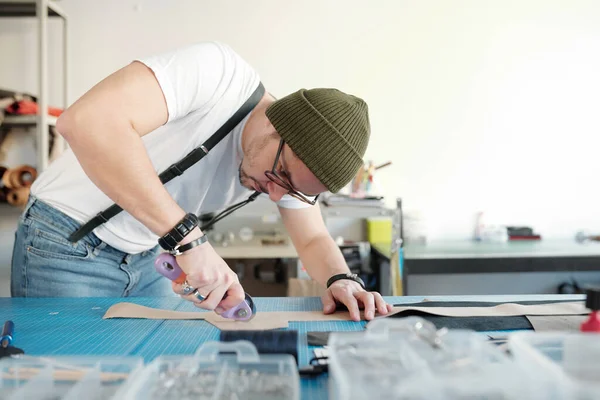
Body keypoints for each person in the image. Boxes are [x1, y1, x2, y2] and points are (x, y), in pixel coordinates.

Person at [10, 41, 392, 321]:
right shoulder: (217, 75)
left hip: (147, 256)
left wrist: (342, 281)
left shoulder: (284, 168)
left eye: (293, 191)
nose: (276, 195)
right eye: (281, 176)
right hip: (64, 241)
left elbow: (312, 238)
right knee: (69, 380)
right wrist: (187, 239)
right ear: (277, 123)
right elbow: (84, 121)